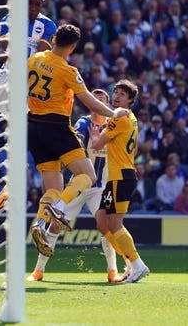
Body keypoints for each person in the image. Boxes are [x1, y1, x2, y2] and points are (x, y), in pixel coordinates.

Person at [26, 24, 129, 258]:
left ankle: (39, 222)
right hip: (56, 126)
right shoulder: (67, 70)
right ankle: (59, 208)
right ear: (72, 47)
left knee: (53, 187)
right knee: (89, 175)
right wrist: (114, 113)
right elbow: (89, 102)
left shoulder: (33, 59)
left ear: (53, 39)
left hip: (33, 126)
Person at [27, 89, 124, 283]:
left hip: (100, 188)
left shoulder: (112, 126)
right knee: (55, 226)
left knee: (107, 226)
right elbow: (74, 144)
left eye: (102, 99)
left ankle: (113, 271)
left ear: (107, 105)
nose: (98, 102)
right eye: (95, 99)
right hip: (79, 185)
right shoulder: (83, 123)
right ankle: (38, 270)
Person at [0, 0, 57, 193]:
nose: (35, 8)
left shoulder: (47, 25)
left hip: (30, 83)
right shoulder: (10, 18)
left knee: (19, 134)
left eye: (39, 4)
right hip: (7, 76)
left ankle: (12, 185)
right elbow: (4, 51)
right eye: (31, 3)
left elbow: (42, 55)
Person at [91, 79, 149, 284]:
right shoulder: (132, 119)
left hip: (120, 176)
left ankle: (137, 264)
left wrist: (95, 134)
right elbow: (133, 149)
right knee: (100, 219)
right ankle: (131, 263)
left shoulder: (118, 118)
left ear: (130, 100)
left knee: (114, 223)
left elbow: (97, 145)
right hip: (120, 175)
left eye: (122, 94)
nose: (116, 96)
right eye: (115, 92)